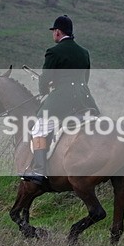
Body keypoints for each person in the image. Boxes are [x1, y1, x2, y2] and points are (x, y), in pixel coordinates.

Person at [21, 15, 99, 185]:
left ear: (57, 32)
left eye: (53, 32)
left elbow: (44, 80)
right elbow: (85, 79)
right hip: (84, 100)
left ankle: (39, 171)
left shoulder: (53, 51)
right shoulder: (84, 52)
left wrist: (45, 89)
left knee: (38, 129)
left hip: (62, 101)